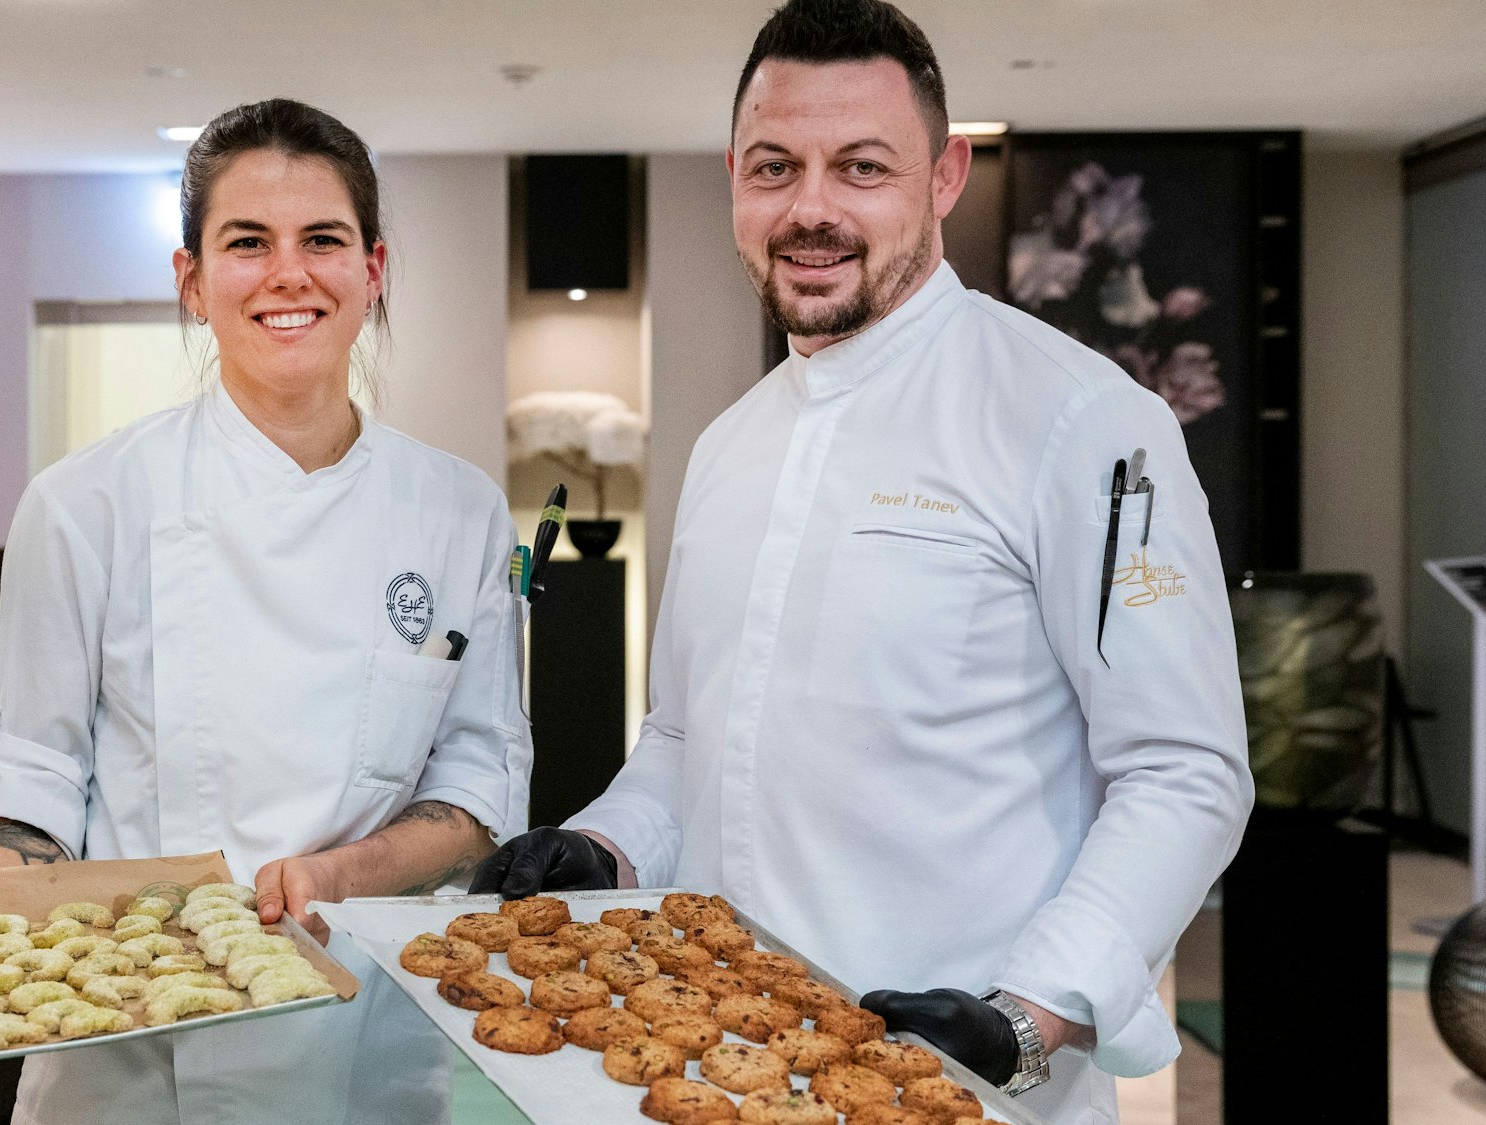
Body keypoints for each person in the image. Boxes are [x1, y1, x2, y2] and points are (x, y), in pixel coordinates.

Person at [470, 3, 1251, 1122]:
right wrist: (603, 843)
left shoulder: (1082, 420)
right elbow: (687, 741)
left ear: (942, 176)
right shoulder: (727, 445)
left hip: (962, 1085)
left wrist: (1027, 1017)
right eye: (774, 166)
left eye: (861, 167)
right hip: (721, 1071)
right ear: (732, 177)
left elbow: (1184, 770)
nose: (810, 209)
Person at [0, 98, 531, 1125]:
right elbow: (34, 772)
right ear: (191, 281)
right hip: (125, 1041)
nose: (288, 274)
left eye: (322, 240)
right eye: (246, 243)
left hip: (358, 1032)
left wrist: (344, 871)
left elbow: (478, 774)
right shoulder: (83, 503)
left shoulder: (458, 511)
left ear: (372, 270)